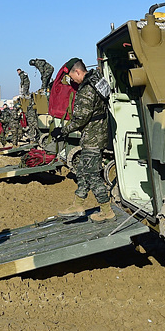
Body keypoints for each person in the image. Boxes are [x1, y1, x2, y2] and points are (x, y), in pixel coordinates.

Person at [56, 58, 114, 222]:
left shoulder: (87, 89)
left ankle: (107, 210)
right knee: (82, 171)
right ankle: (78, 204)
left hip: (93, 138)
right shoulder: (96, 81)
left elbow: (81, 117)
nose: (72, 81)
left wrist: (63, 130)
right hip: (94, 135)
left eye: (72, 77)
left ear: (78, 72)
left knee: (92, 175)